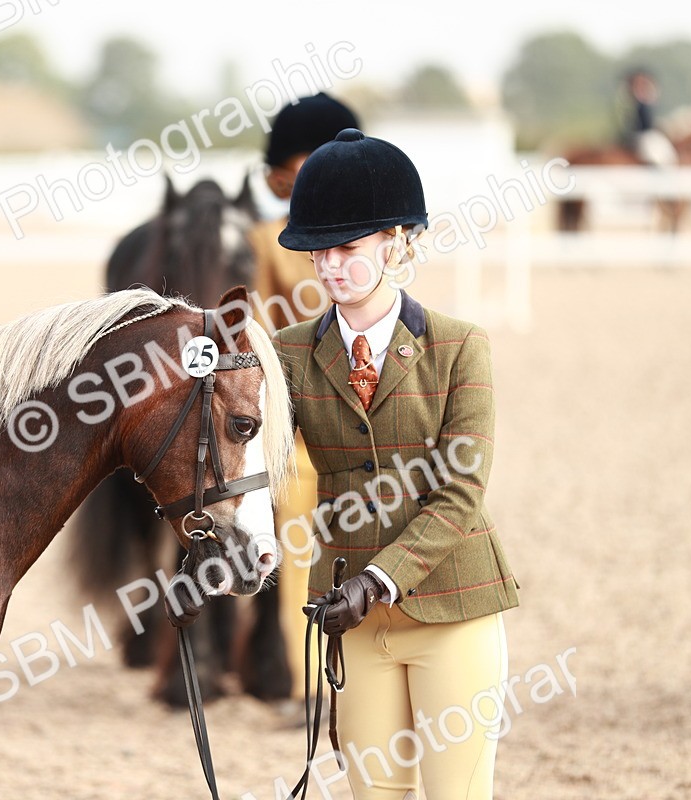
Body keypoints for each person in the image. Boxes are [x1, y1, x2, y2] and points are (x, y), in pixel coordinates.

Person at [272, 128, 519, 799]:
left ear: (397, 243)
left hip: (452, 610)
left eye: (346, 248)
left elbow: (461, 490)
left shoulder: (460, 347)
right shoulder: (286, 354)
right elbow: (255, 458)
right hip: (351, 619)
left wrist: (381, 578)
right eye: (316, 250)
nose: (327, 266)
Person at [248, 91, 361, 701]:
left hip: (377, 413)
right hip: (304, 425)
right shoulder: (270, 241)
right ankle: (310, 686)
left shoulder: (380, 239)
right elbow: (263, 335)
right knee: (301, 549)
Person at [618, 67, 678, 166]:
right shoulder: (631, 101)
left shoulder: (646, 100)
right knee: (657, 153)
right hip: (642, 136)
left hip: (648, 134)